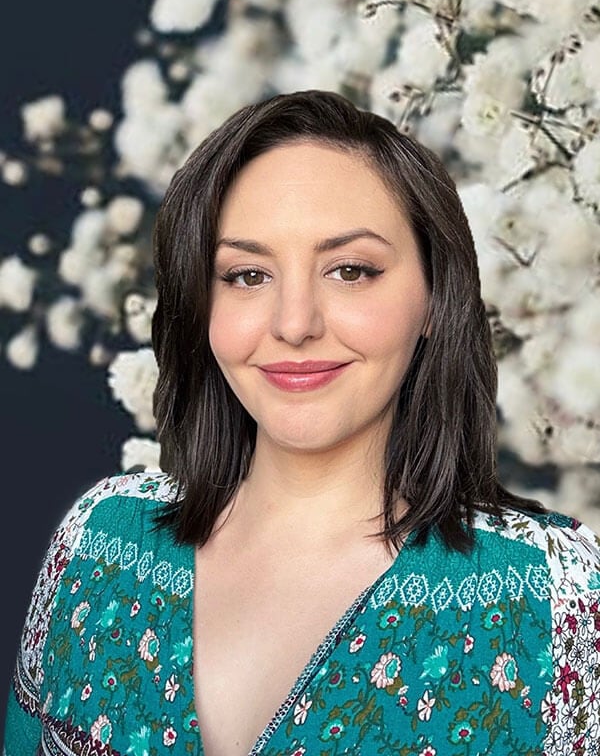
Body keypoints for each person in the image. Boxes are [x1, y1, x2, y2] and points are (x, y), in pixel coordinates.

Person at [4, 88, 600, 756]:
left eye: (350, 270)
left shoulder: (555, 595)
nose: (294, 324)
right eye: (247, 275)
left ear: (435, 296)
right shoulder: (98, 543)